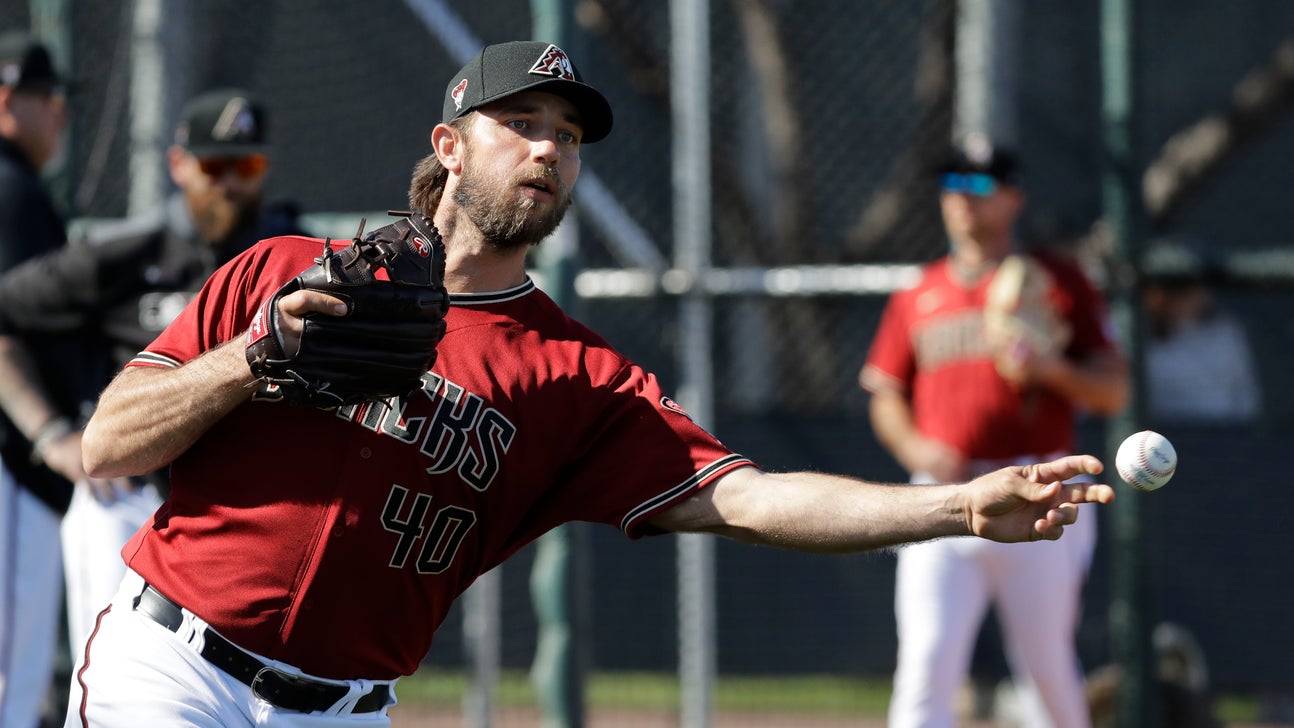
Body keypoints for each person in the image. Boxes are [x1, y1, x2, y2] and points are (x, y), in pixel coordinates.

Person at [68, 42, 1114, 727]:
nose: (548, 149)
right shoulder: (288, 271)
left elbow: (748, 499)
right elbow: (110, 444)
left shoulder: (579, 378)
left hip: (347, 707)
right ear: (448, 143)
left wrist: (959, 505)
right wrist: (253, 357)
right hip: (173, 671)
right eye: (521, 122)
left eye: (565, 137)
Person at [0, 86, 308, 655]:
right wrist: (52, 434)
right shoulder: (125, 252)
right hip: (132, 494)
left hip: (252, 506)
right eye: (215, 165)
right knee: (113, 670)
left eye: (249, 164)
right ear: (178, 165)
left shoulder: (294, 255)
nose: (230, 181)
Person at [859, 135, 1129, 728]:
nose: (962, 198)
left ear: (1013, 198)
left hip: (1037, 488)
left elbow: (1114, 389)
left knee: (1045, 668)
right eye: (952, 184)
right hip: (940, 495)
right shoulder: (918, 292)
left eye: (979, 185)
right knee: (926, 665)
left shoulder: (1058, 281)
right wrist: (914, 446)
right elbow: (885, 395)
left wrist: (1051, 369)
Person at [0, 30, 101, 728]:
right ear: (7, 100)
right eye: (48, 97)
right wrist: (51, 432)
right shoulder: (10, 191)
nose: (61, 112)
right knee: (12, 673)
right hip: (11, 464)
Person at [1140, 237, 1261, 425]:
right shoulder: (1132, 337)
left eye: (1198, 286)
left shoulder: (1225, 332)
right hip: (1162, 440)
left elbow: (1245, 399)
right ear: (1157, 294)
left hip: (1225, 439)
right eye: (1182, 289)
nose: (1198, 295)